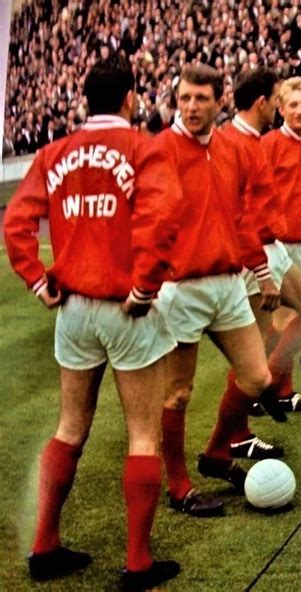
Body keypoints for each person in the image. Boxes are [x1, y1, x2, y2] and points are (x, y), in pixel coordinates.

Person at [4, 55, 182, 590]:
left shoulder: (54, 152)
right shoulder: (143, 148)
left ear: (87, 98)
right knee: (143, 434)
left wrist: (40, 280)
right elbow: (164, 216)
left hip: (73, 308)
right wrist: (145, 287)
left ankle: (45, 546)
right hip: (126, 305)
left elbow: (16, 224)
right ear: (130, 96)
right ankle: (137, 562)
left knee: (70, 428)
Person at [156, 65, 282, 518]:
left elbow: (243, 217)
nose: (192, 107)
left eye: (201, 99)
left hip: (229, 283)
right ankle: (179, 486)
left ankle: (214, 454)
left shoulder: (231, 148)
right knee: (178, 393)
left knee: (257, 378)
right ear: (177, 100)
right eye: (185, 98)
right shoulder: (161, 150)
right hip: (179, 289)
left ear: (218, 101)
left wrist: (262, 272)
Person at [223, 70, 301, 422]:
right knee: (270, 329)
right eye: (292, 104)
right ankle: (265, 392)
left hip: (300, 244)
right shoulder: (264, 144)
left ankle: (278, 389)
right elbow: (246, 204)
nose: (299, 111)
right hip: (269, 244)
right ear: (278, 107)